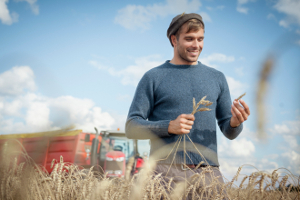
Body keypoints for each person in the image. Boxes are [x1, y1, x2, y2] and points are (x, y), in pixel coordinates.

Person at [125, 13, 250, 196]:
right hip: (165, 173)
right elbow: (131, 127)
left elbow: (228, 131)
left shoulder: (217, 78)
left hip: (209, 174)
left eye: (200, 39)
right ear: (174, 39)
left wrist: (235, 123)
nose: (196, 45)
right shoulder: (153, 77)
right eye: (189, 39)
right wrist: (168, 126)